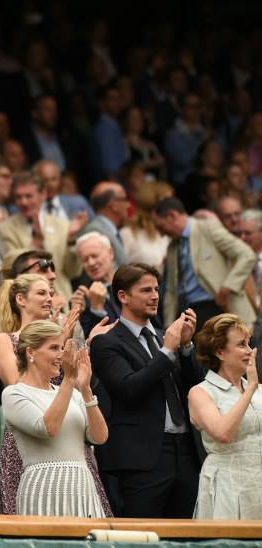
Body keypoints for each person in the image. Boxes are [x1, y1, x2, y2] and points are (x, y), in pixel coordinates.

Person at [90, 262, 201, 518]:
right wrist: (168, 351)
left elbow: (193, 390)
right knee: (143, 539)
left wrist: (185, 349)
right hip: (142, 459)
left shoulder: (166, 337)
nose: (154, 296)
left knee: (188, 538)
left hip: (185, 451)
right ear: (123, 296)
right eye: (146, 290)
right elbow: (129, 389)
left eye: (156, 289)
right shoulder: (106, 342)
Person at [2, 320, 108, 516]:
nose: (61, 355)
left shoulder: (72, 393)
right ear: (31, 352)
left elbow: (100, 437)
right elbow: (48, 428)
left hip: (82, 486)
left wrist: (85, 389)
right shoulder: (14, 394)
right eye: (53, 348)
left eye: (62, 348)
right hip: (43, 487)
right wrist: (69, 379)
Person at [187, 314, 262, 519]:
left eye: (248, 343)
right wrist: (250, 390)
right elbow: (222, 433)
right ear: (220, 351)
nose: (249, 351)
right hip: (227, 487)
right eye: (241, 345)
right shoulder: (201, 392)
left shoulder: (259, 390)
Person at [153, 196, 257, 331]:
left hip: (217, 307)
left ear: (172, 216)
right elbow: (171, 291)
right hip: (188, 312)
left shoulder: (207, 228)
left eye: (160, 227)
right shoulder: (172, 247)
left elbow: (246, 254)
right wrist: (168, 326)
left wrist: (228, 287)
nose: (161, 234)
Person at [0, 173, 83, 303]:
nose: (23, 202)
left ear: (43, 194)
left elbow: (73, 272)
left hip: (63, 300)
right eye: (18, 197)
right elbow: (13, 270)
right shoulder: (4, 229)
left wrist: (71, 240)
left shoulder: (62, 224)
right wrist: (36, 242)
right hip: (29, 302)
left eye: (29, 196)